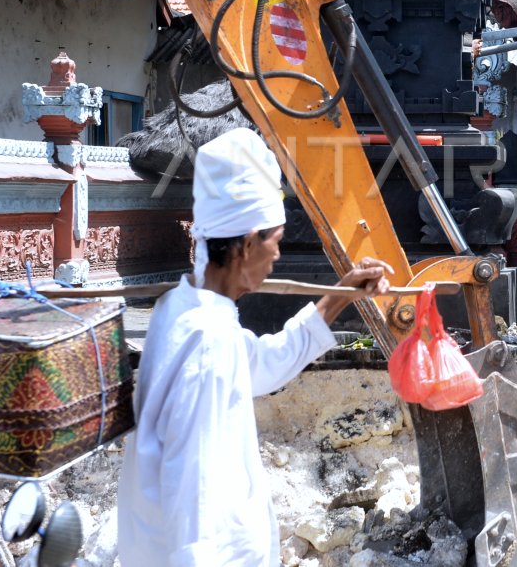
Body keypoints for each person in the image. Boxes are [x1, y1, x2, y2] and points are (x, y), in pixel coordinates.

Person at [118, 127, 393, 566]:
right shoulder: (204, 341)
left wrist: (340, 296)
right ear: (248, 244)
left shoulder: (187, 308)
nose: (278, 257)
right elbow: (193, 488)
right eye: (276, 242)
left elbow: (262, 364)